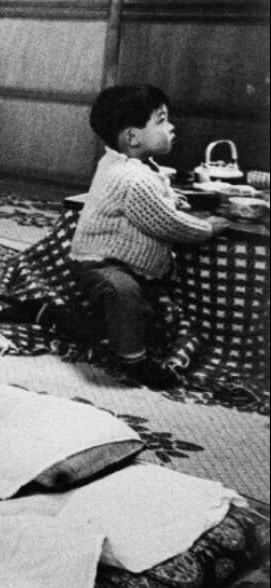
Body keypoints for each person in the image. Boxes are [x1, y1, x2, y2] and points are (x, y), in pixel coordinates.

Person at [68, 84, 229, 385]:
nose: (171, 127)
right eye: (162, 120)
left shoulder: (128, 163)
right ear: (132, 137)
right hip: (102, 264)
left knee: (126, 314)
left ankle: (55, 317)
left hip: (123, 260)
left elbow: (157, 197)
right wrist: (207, 228)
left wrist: (173, 198)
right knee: (124, 296)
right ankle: (135, 362)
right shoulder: (132, 178)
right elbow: (167, 223)